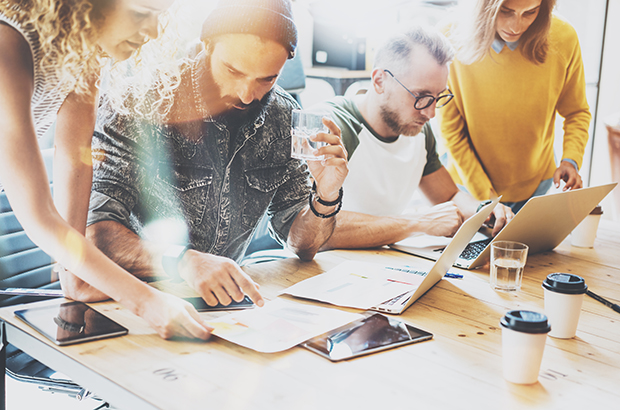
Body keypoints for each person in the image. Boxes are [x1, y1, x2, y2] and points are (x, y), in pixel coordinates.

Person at [82, 0, 348, 308]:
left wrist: (326, 195)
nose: (247, 94)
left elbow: (302, 245)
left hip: (226, 304)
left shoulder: (283, 117)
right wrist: (183, 262)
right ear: (205, 45)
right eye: (233, 71)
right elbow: (96, 234)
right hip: (132, 300)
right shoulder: (136, 104)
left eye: (267, 79)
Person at [0, 0, 219, 340]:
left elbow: (75, 155)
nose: (151, 32)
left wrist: (75, 275)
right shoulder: (6, 45)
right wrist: (147, 302)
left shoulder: (82, 53)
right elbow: (40, 217)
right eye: (140, 13)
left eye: (160, 17)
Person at [309, 26, 512, 250]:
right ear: (379, 81)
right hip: (325, 267)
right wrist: (418, 223)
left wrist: (484, 210)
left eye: (438, 97)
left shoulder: (418, 130)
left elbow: (449, 195)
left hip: (380, 263)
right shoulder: (330, 125)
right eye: (421, 96)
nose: (430, 113)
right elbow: (314, 228)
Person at [438, 0, 591, 213]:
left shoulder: (564, 37)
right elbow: (451, 132)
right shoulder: (448, 38)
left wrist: (570, 160)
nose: (515, 26)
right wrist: (487, 198)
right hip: (469, 188)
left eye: (530, 12)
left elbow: (577, 112)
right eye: (505, 11)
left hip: (537, 185)